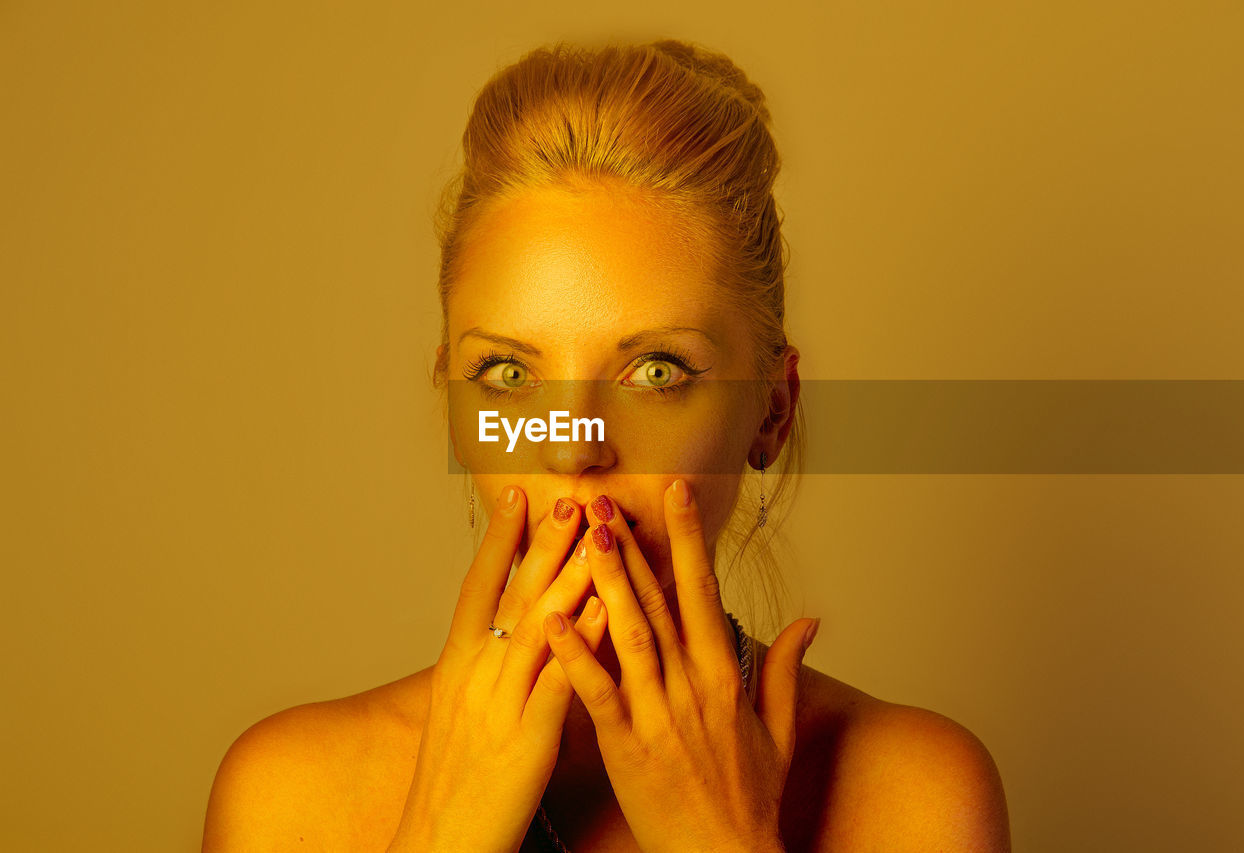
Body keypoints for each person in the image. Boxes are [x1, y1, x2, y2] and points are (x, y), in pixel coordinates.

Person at [202, 40, 1011, 852]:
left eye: (655, 371)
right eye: (510, 370)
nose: (573, 446)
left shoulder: (917, 797)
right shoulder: (287, 797)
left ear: (772, 409)